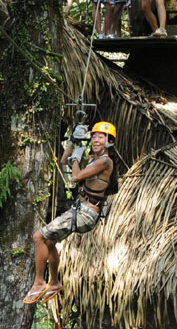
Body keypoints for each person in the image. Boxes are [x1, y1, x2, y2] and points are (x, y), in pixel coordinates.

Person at [23, 122, 117, 305]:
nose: (96, 140)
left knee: (38, 237)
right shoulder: (92, 158)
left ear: (109, 141)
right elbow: (65, 160)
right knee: (48, 241)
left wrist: (76, 158)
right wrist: (73, 143)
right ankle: (55, 282)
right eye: (94, 136)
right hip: (81, 210)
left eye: (101, 137)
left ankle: (39, 282)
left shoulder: (105, 161)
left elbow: (75, 177)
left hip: (86, 213)